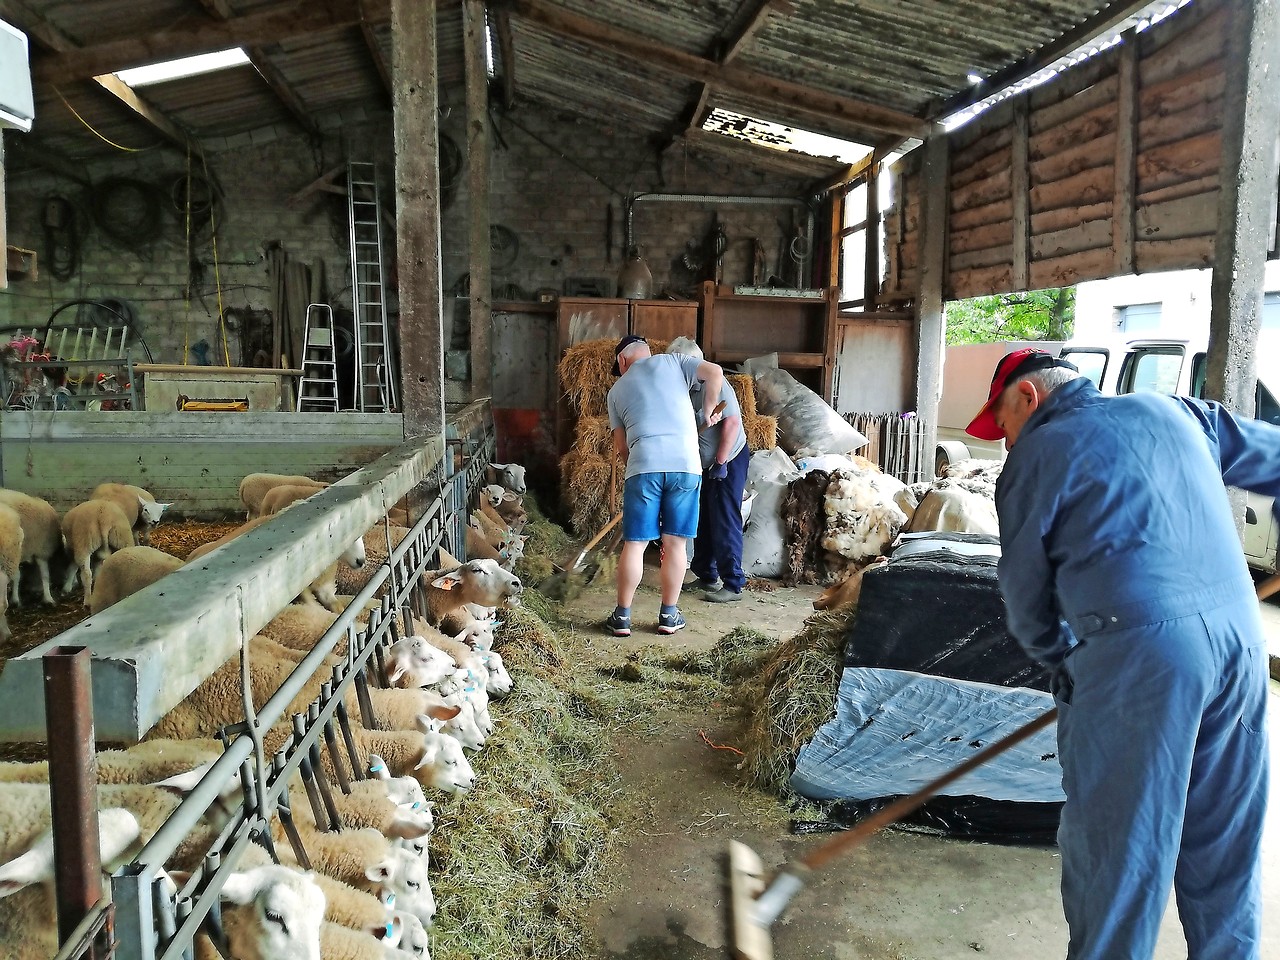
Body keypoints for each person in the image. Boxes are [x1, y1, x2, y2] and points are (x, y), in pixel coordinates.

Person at [966, 347, 1279, 960]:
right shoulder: (1179, 413)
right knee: (1222, 839)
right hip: (1241, 642)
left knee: (1121, 850)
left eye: (1001, 424)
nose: (1005, 442)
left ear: (1029, 398)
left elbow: (1025, 592)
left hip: (1141, 657)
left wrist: (1061, 660)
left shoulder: (1038, 454)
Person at [604, 336, 725, 637]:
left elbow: (621, 448)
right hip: (685, 464)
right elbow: (715, 373)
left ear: (622, 361)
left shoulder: (616, 391)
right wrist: (709, 411)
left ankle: (622, 617)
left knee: (635, 544)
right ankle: (668, 616)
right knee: (676, 544)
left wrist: (642, 465)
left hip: (643, 465)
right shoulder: (674, 362)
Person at [687, 373, 748, 602]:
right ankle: (705, 574)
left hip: (728, 458)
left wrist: (721, 462)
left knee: (724, 516)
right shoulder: (686, 388)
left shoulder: (716, 385)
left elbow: (732, 423)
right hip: (704, 463)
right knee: (703, 517)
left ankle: (733, 584)